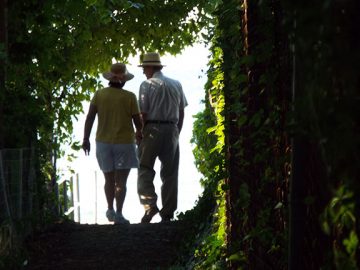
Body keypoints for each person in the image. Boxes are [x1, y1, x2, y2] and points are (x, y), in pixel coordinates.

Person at [82, 63, 142, 225]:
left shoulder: (99, 94)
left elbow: (90, 117)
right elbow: (138, 121)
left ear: (109, 79)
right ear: (123, 81)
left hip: (103, 143)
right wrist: (139, 133)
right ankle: (120, 214)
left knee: (108, 179)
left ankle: (110, 209)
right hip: (124, 143)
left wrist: (85, 139)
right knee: (121, 182)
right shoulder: (129, 97)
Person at [137, 52, 188, 223]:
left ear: (151, 67)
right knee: (170, 173)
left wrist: (140, 134)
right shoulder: (177, 84)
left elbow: (143, 113)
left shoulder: (146, 85)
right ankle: (168, 213)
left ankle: (150, 206)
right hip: (172, 129)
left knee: (145, 168)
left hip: (152, 128)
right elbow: (181, 112)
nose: (144, 71)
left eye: (144, 68)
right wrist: (177, 131)